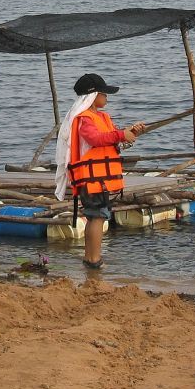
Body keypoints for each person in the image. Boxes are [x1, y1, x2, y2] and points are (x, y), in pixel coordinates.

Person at [54, 73, 145, 269]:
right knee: (97, 216)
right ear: (92, 96)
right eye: (104, 93)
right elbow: (95, 139)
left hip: (100, 178)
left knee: (95, 216)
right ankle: (94, 260)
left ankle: (91, 258)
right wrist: (121, 134)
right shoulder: (84, 119)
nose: (107, 97)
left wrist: (131, 133)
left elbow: (111, 142)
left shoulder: (102, 117)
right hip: (91, 179)